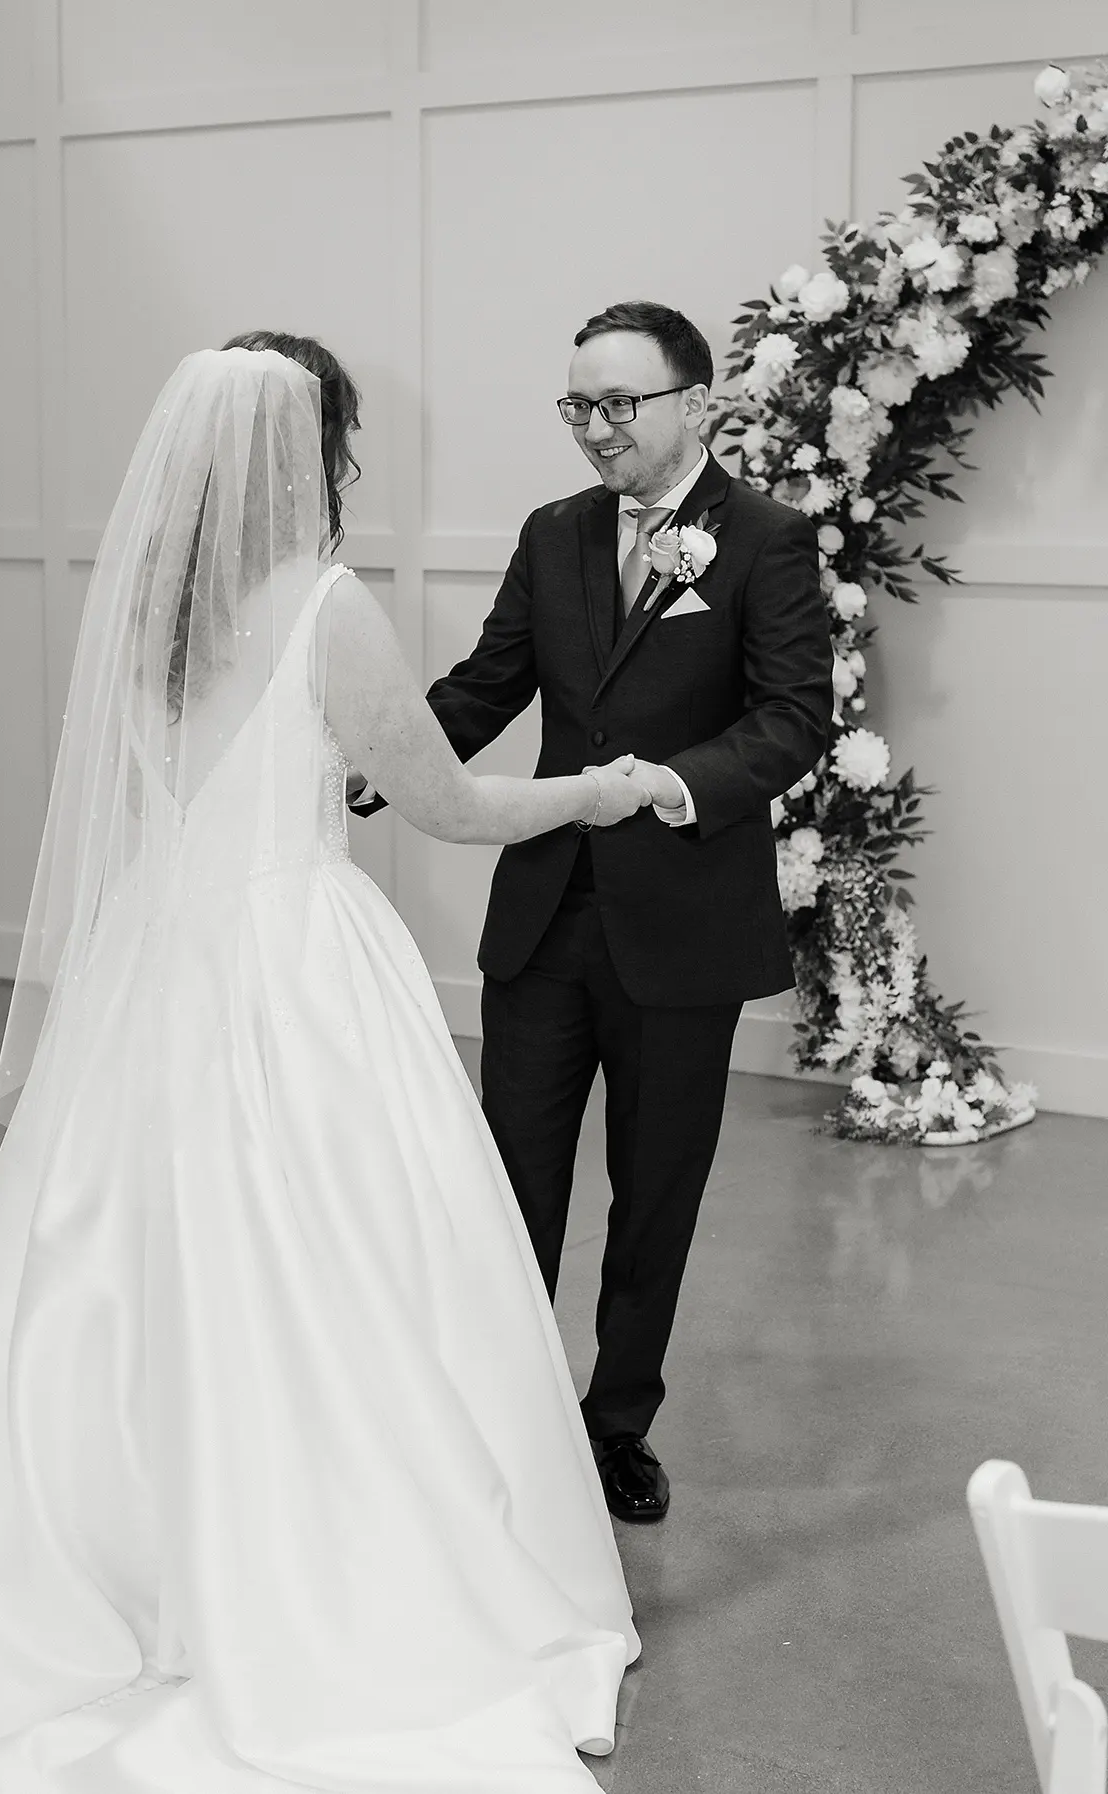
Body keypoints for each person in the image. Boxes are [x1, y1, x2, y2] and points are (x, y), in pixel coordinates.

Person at [0, 336, 646, 1792]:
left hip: (156, 961)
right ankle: (304, 1564)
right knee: (339, 1257)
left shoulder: (148, 603)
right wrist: (597, 789)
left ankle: (129, 1555)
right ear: (313, 451)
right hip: (296, 962)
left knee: (134, 1260)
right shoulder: (322, 604)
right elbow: (447, 806)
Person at [353, 301, 834, 1526]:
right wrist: (379, 764)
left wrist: (670, 786)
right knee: (509, 1180)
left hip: (683, 919)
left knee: (654, 1191)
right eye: (579, 404)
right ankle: (502, 1416)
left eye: (622, 403)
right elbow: (489, 683)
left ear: (696, 402)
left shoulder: (766, 540)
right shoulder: (555, 531)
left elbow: (793, 720)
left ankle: (617, 1424)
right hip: (546, 914)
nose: (597, 428)